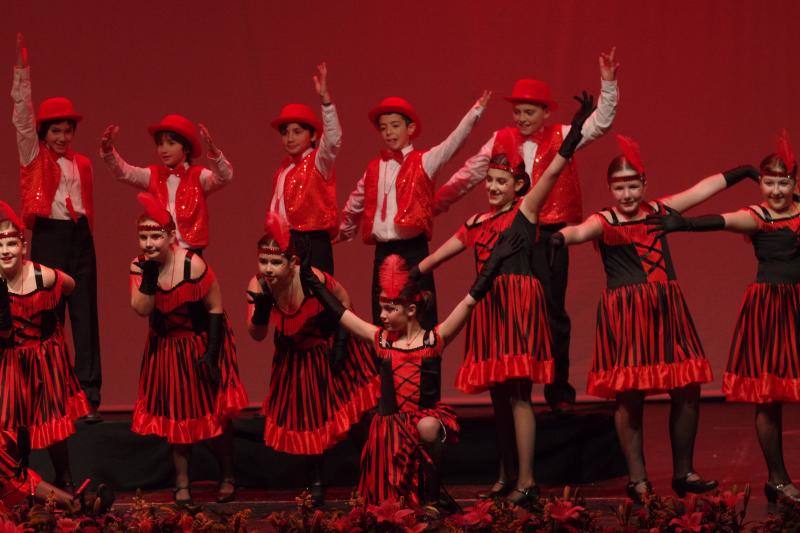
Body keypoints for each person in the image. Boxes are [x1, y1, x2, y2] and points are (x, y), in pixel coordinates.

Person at [548, 134, 757, 501]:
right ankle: (638, 479)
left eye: (632, 185)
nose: (627, 194)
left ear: (644, 183)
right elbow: (578, 231)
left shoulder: (659, 211)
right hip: (626, 315)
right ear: (611, 188)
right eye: (619, 187)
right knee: (629, 395)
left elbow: (701, 190)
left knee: (688, 388)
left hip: (666, 308)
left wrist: (742, 172)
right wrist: (557, 239)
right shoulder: (605, 220)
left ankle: (684, 472)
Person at [412, 94, 594, 504]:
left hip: (517, 304)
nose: (492, 187)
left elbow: (551, 176)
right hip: (489, 308)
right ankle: (505, 474)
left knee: (517, 394)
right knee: (498, 396)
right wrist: (414, 272)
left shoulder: (525, 212)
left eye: (501, 182)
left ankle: (527, 481)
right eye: (489, 181)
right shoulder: (477, 220)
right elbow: (446, 250)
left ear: (517, 186)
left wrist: (575, 133)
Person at [435, 48, 620, 413]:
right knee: (507, 311)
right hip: (511, 234)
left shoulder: (564, 134)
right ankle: (509, 386)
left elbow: (601, 123)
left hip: (550, 235)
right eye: (518, 111)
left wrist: (608, 82)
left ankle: (558, 393)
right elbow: (469, 175)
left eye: (529, 111)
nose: (521, 118)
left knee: (552, 312)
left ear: (546, 112)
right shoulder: (500, 140)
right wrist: (434, 205)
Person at [300, 237, 524, 508]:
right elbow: (341, 314)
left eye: (389, 308)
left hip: (422, 419)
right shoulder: (381, 340)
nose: (382, 315)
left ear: (411, 310)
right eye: (381, 307)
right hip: (389, 429)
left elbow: (469, 302)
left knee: (428, 427)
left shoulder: (434, 340)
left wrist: (494, 262)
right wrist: (311, 281)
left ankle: (431, 495)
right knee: (389, 510)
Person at [645, 131, 800, 505]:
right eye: (769, 182)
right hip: (771, 311)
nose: (776, 190)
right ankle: (777, 479)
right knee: (770, 395)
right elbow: (722, 220)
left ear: (794, 183)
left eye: (784, 182)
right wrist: (683, 225)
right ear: (761, 183)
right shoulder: (757, 217)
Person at [246, 213, 379, 507]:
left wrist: (342, 344)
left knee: (353, 416)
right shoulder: (258, 286)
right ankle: (315, 480)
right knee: (308, 419)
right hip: (295, 356)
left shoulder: (313, 278)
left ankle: (374, 470)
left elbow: (344, 302)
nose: (267, 269)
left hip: (329, 344)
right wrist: (261, 311)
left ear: (292, 263)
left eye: (275, 262)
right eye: (263, 262)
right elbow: (256, 334)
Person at [128, 193, 248, 505]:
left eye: (156, 236)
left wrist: (210, 353)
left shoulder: (192, 264)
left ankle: (228, 474)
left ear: (170, 237)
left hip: (199, 341)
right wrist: (150, 278)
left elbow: (215, 307)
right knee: (176, 416)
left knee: (213, 415)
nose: (149, 243)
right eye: (144, 237)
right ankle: (182, 482)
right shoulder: (140, 267)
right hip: (166, 346)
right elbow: (140, 309)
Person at [337, 91, 491, 328]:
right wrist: (345, 229)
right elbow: (356, 201)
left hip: (413, 251)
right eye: (384, 127)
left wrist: (475, 112)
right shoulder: (374, 168)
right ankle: (386, 364)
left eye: (395, 126)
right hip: (382, 252)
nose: (389, 132)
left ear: (410, 129)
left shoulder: (424, 161)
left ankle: (428, 363)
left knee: (422, 313)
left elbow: (453, 143)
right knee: (384, 316)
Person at [12, 33, 102, 421]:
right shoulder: (35, 157)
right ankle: (49, 395)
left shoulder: (81, 163)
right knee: (48, 317)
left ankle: (89, 395)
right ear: (45, 134)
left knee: (85, 316)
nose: (63, 138)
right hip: (49, 235)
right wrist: (22, 75)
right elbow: (22, 120)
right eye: (56, 131)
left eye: (68, 131)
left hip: (79, 238)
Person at [0, 201, 89, 492]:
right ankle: (18, 484)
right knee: (12, 424)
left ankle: (65, 478)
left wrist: (51, 331)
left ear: (22, 247)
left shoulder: (43, 275)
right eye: (0, 246)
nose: (5, 251)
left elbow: (72, 286)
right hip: (10, 361)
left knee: (51, 421)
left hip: (41, 359)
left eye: (11, 244)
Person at [101, 114, 232, 254]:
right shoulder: (153, 174)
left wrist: (214, 152)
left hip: (191, 250)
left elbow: (224, 177)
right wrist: (108, 151)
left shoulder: (198, 175)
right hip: (160, 250)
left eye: (171, 143)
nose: (164, 149)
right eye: (160, 144)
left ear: (186, 148)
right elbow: (124, 172)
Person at [269, 62, 342, 274]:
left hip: (312, 242)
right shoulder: (283, 169)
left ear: (312, 135)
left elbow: (334, 139)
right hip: (286, 242)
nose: (289, 138)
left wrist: (326, 101)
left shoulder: (319, 161)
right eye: (285, 132)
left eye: (297, 131)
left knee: (317, 302)